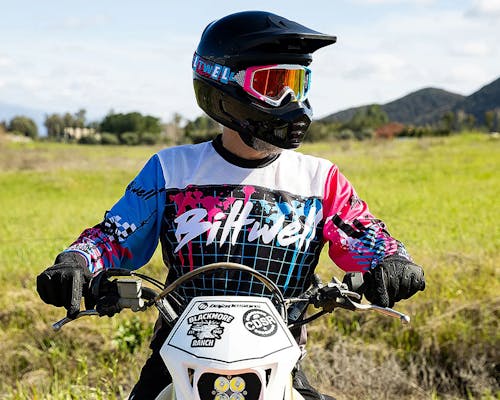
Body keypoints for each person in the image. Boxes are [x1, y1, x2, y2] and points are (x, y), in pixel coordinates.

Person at [36, 10, 425, 400]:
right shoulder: (171, 170)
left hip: (278, 358)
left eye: (297, 83)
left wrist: (392, 261)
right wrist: (76, 262)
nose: (290, 100)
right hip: (177, 356)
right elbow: (114, 235)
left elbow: (365, 235)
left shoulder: (319, 179)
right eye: (273, 84)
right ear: (222, 85)